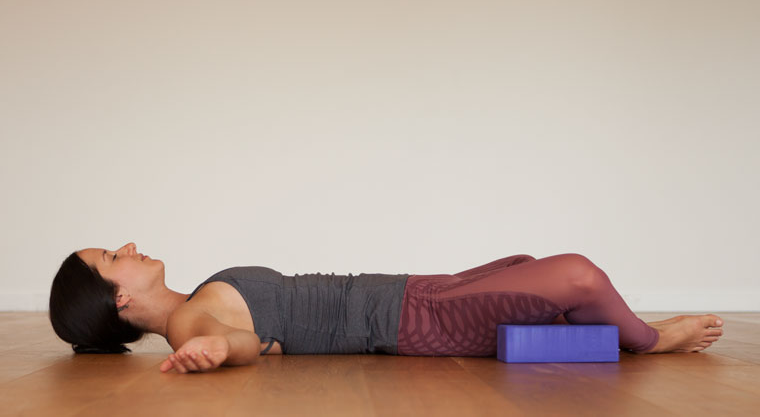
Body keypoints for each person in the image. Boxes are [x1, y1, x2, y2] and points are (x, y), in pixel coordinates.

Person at [48, 242, 724, 374]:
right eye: (112, 257)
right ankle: (647, 340)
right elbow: (242, 343)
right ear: (122, 297)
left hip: (412, 295)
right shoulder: (192, 323)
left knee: (525, 267)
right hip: (408, 318)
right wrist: (218, 351)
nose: (128, 246)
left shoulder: (197, 298)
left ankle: (581, 345)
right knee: (576, 272)